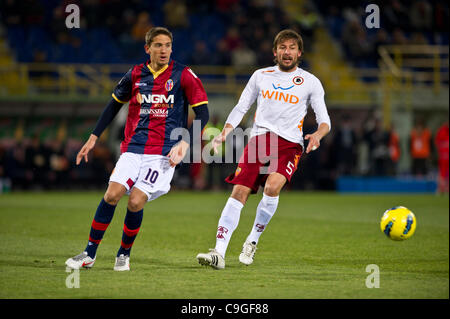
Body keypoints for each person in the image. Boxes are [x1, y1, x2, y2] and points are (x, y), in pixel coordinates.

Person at [65, 27, 209, 271]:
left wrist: (185, 142)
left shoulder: (183, 74)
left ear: (171, 48)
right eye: (158, 45)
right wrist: (93, 137)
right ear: (148, 48)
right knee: (111, 195)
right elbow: (113, 106)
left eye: (167, 45)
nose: (163, 50)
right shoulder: (135, 74)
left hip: (163, 155)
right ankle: (89, 253)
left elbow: (203, 112)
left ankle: (124, 253)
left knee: (135, 201)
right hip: (133, 149)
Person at [196, 29, 331, 269]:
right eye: (282, 48)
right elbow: (241, 107)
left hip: (290, 144)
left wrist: (318, 135)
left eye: (291, 48)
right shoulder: (260, 76)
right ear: (274, 52)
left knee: (272, 186)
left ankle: (252, 240)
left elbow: (324, 120)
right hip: (259, 140)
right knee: (239, 191)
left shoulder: (311, 81)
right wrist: (225, 131)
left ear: (299, 53)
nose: (286, 52)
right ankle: (218, 252)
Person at [435, 120, 449, 194]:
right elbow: (437, 142)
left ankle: (446, 189)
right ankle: (441, 188)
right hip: (443, 156)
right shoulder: (441, 131)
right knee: (442, 173)